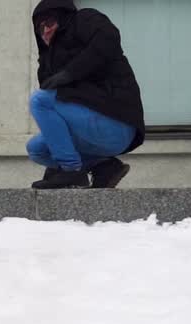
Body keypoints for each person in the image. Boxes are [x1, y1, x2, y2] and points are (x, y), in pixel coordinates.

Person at [27, 0, 146, 189]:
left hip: (117, 122)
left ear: (62, 17)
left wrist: (70, 73)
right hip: (92, 133)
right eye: (40, 28)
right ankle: (103, 166)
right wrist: (56, 163)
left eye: (49, 23)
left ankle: (72, 170)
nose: (46, 31)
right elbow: (57, 116)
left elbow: (108, 39)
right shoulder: (47, 62)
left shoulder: (84, 20)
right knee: (36, 149)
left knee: (39, 101)